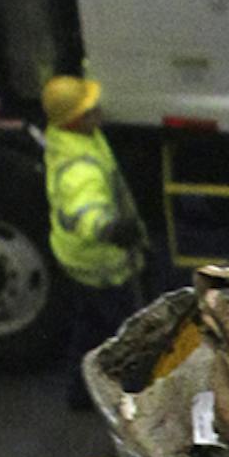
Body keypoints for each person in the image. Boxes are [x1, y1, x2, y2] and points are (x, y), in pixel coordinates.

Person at [43, 73, 147, 408]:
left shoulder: (73, 138)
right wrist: (114, 230)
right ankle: (132, 398)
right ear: (76, 120)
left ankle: (80, 393)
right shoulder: (79, 169)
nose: (99, 113)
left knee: (89, 329)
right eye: (90, 110)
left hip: (81, 263)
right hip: (100, 265)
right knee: (126, 336)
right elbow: (86, 215)